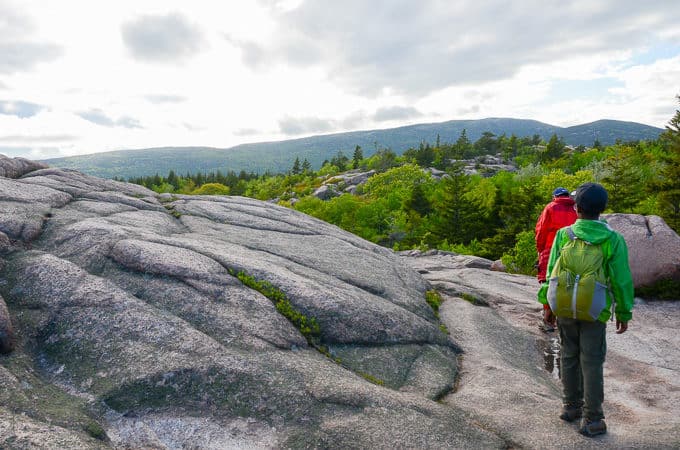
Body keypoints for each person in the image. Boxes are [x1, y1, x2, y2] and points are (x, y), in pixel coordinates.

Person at [540, 182, 634, 437]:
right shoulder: (613, 239)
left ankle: (571, 407)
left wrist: (548, 304)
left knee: (569, 355)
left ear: (577, 208)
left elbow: (551, 273)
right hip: (594, 310)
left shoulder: (564, 234)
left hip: (565, 307)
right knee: (591, 361)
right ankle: (593, 419)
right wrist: (624, 312)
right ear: (601, 209)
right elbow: (622, 279)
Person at [535, 187, 577, 331]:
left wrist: (540, 249)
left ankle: (548, 318)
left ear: (555, 196)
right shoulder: (576, 209)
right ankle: (563, 319)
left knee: (548, 281)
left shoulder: (551, 207)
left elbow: (541, 229)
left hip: (550, 247)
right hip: (571, 251)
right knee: (567, 283)